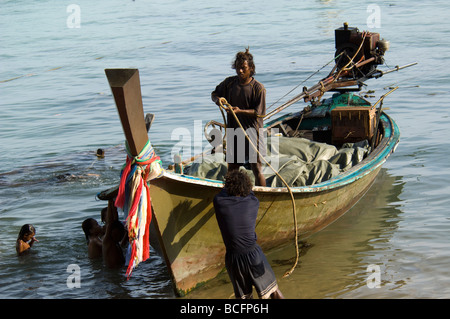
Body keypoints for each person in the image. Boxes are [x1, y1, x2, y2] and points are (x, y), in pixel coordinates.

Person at [213, 170, 284, 299]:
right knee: (273, 291)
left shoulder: (219, 201)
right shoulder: (253, 202)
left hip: (234, 260)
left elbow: (223, 191)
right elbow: (250, 191)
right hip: (253, 255)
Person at [211, 48, 267, 186]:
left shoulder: (258, 88)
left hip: (252, 132)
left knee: (256, 167)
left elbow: (259, 113)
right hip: (234, 131)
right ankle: (230, 194)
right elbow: (214, 94)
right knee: (233, 168)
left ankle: (263, 196)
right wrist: (218, 100)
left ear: (251, 68)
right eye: (237, 68)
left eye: (243, 68)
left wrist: (239, 111)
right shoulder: (229, 83)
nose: (240, 71)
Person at [102, 199, 126, 268]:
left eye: (120, 235)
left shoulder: (115, 242)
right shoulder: (107, 241)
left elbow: (115, 220)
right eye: (118, 235)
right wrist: (109, 202)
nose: (119, 237)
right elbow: (110, 223)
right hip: (112, 273)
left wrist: (114, 201)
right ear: (111, 233)